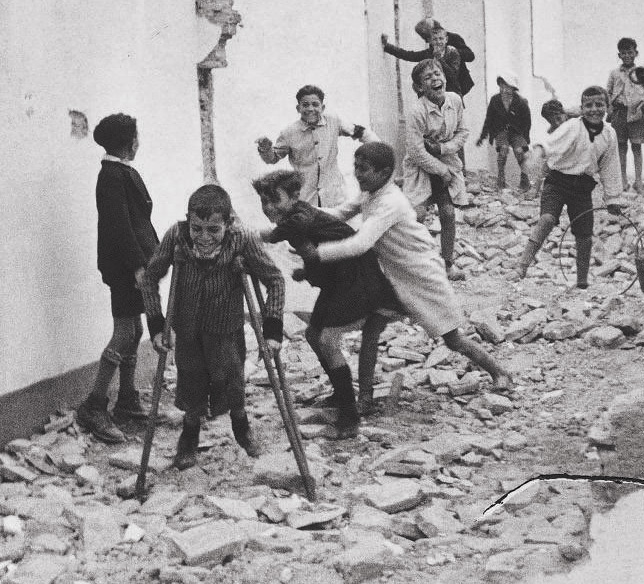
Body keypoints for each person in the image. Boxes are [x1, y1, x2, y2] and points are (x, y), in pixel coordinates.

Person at [294, 142, 512, 392]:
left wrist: (316, 255)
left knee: (452, 339)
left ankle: (499, 372)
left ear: (384, 173)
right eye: (356, 167)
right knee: (372, 330)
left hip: (422, 276)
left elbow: (360, 244)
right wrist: (299, 211)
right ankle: (365, 396)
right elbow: (339, 213)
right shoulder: (370, 195)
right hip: (394, 278)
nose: (357, 174)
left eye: (363, 169)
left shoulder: (391, 203)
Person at [141, 185, 286, 470]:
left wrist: (272, 331)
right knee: (190, 381)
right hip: (188, 329)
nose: (204, 237)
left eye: (213, 229)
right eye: (197, 228)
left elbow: (275, 280)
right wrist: (157, 325)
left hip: (226, 329)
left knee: (231, 380)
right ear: (188, 220)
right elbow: (149, 278)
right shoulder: (177, 236)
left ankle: (241, 426)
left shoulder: (241, 239)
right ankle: (189, 436)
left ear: (228, 224)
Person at [252, 169, 404, 437]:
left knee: (327, 339)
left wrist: (253, 235)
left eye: (274, 200)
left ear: (295, 196)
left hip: (357, 279)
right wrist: (307, 271)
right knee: (313, 335)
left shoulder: (300, 216)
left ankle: (349, 417)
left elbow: (288, 232)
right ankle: (340, 394)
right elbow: (315, 251)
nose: (268, 207)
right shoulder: (295, 217)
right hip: (339, 280)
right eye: (263, 202)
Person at [77, 113, 161, 445]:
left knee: (136, 329)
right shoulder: (111, 176)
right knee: (125, 331)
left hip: (136, 264)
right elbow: (120, 226)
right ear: (130, 142)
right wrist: (138, 267)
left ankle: (127, 399)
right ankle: (94, 405)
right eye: (137, 136)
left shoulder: (120, 172)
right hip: (126, 267)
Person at [513, 87, 625, 288]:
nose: (594, 110)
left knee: (584, 234)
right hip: (557, 182)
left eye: (599, 105)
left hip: (583, 188)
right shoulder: (573, 126)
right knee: (547, 219)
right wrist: (536, 154)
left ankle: (582, 280)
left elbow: (610, 166)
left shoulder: (609, 134)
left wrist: (613, 198)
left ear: (607, 107)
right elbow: (549, 144)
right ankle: (522, 265)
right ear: (581, 108)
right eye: (588, 105)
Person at [255, 84, 378, 208]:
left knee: (337, 223)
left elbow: (360, 132)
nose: (310, 109)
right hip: (305, 196)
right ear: (298, 108)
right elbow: (272, 158)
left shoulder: (333, 120)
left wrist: (381, 152)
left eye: (315, 104)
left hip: (335, 194)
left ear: (322, 107)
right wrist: (265, 148)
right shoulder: (289, 132)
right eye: (305, 105)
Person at [403, 59, 470, 280]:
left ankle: (447, 264)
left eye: (438, 74)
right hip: (421, 167)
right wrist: (440, 170)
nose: (435, 79)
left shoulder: (455, 101)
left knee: (448, 214)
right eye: (428, 77)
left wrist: (443, 148)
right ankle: (409, 266)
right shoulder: (417, 111)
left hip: (447, 161)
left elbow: (463, 132)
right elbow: (415, 151)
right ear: (420, 87)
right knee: (417, 216)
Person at [381, 19, 476, 99]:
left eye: (440, 39)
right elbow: (410, 55)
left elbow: (470, 56)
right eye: (433, 39)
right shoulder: (431, 51)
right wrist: (388, 47)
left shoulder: (454, 39)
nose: (437, 41)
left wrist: (451, 52)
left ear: (446, 38)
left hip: (458, 83)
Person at [605, 37, 644, 194]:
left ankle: (638, 182)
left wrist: (643, 107)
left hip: (636, 113)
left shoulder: (641, 72)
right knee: (621, 147)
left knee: (636, 147)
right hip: (619, 112)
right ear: (619, 55)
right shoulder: (614, 73)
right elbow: (607, 93)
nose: (627, 56)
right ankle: (623, 180)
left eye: (630, 52)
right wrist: (609, 109)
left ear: (636, 53)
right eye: (623, 53)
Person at [476, 76, 532, 191]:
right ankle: (500, 179)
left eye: (508, 87)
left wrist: (525, 139)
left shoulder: (521, 102)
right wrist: (483, 136)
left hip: (516, 132)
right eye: (502, 86)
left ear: (513, 89)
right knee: (503, 150)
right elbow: (489, 119)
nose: (505, 90)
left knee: (519, 151)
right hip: (501, 131)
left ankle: (525, 180)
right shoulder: (495, 100)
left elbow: (527, 121)